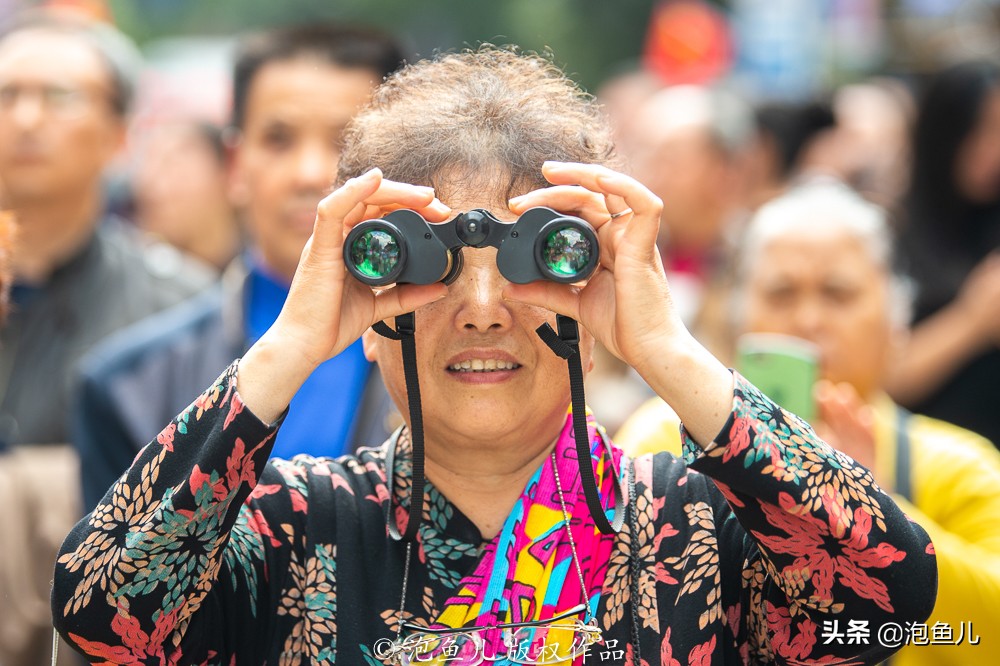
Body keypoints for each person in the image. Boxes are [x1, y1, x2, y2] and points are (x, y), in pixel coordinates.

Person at [52, 47, 935, 665]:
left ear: (593, 288)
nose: (481, 310)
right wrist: (289, 344)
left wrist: (666, 345)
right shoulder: (292, 528)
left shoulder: (695, 529)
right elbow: (102, 615)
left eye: (533, 262)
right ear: (369, 302)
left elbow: (890, 601)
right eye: (431, 267)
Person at [617, 180, 999, 666]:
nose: (808, 318)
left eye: (838, 294)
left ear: (896, 318)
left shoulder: (957, 463)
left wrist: (868, 505)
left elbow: (986, 632)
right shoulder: (667, 437)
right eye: (781, 293)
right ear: (739, 317)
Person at [72, 24, 405, 511]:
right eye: (278, 139)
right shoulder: (127, 385)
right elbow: (113, 578)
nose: (309, 172)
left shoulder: (461, 358)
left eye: (344, 142)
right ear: (234, 165)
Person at [0, 12, 213, 448]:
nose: (25, 118)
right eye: (6, 95)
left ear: (119, 136)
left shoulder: (179, 311)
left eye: (59, 96)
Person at [886, 60, 1000, 447]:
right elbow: (881, 377)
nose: (992, 148)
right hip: (921, 460)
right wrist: (971, 321)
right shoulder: (891, 232)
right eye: (981, 130)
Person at [130, 119, 240, 271]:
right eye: (149, 163)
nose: (152, 183)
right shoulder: (139, 272)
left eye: (173, 165)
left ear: (229, 174)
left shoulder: (260, 271)